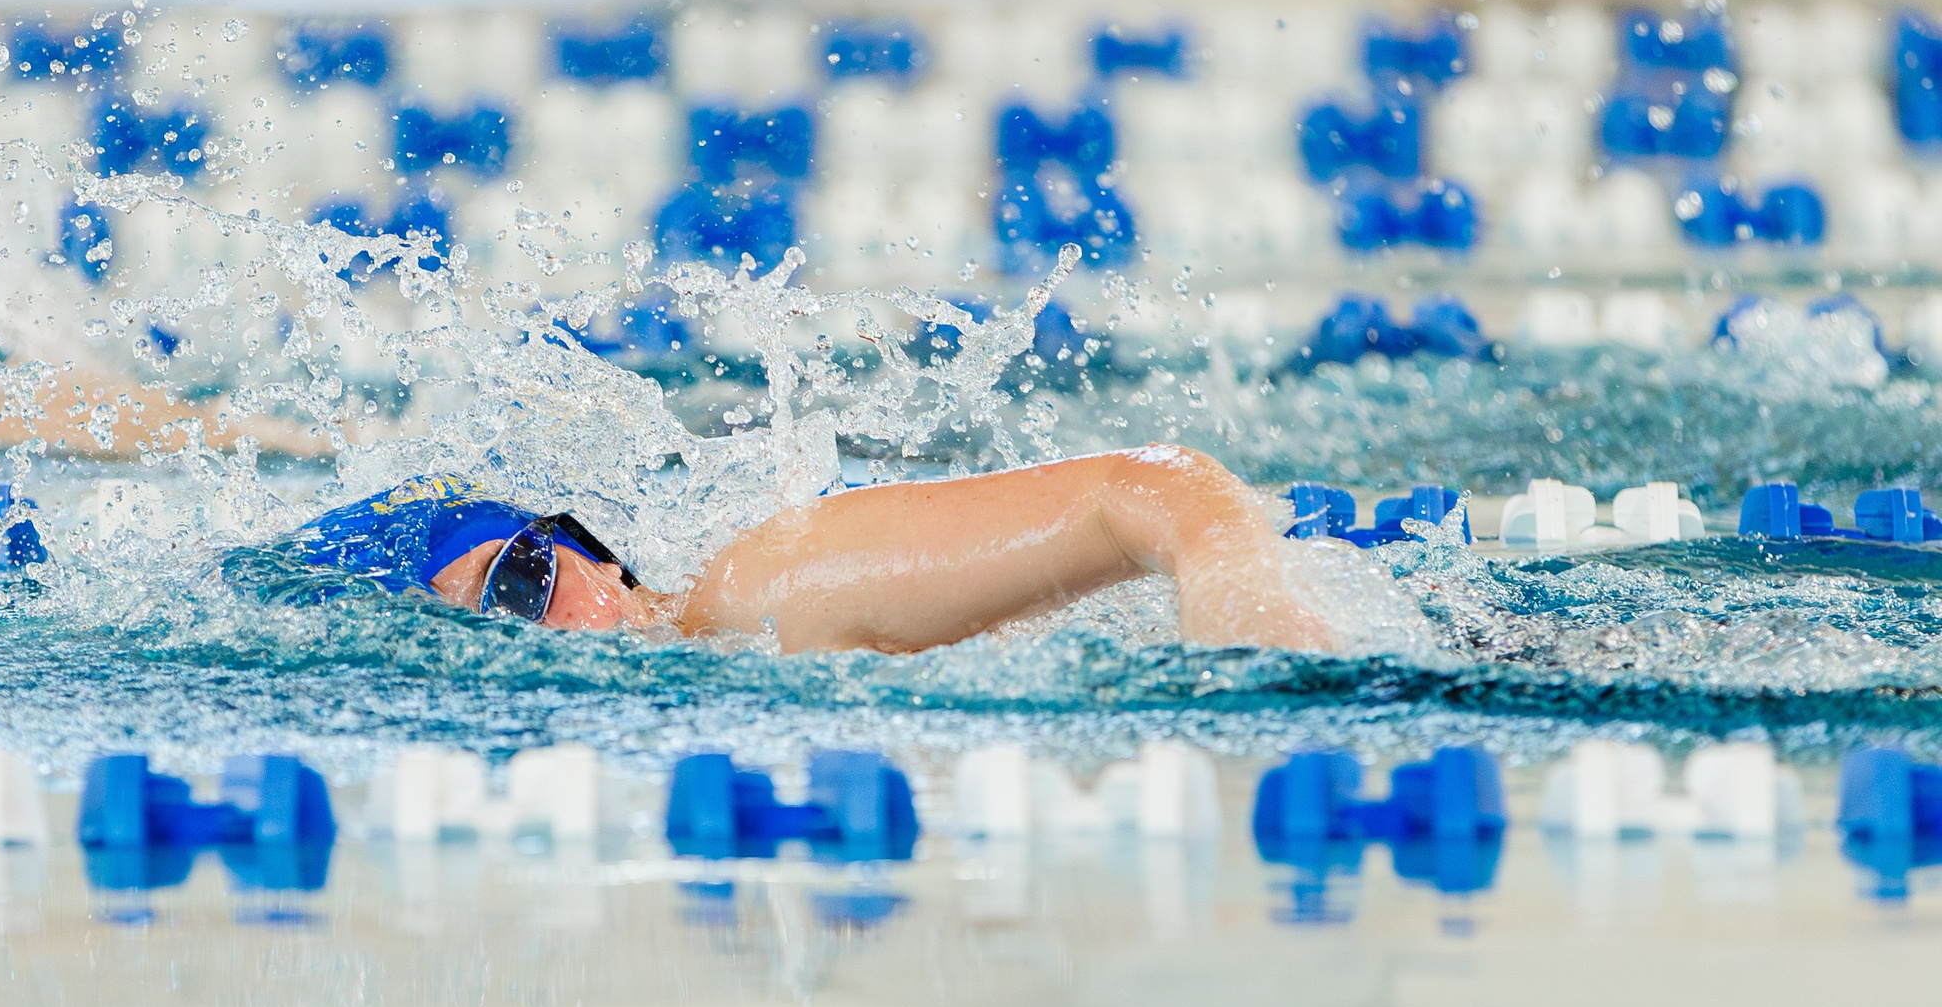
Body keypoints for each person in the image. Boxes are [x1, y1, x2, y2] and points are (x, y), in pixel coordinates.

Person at [265, 451, 1335, 655]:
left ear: (592, 556)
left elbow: (1148, 490)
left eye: (522, 584)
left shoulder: (764, 593)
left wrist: (1244, 610)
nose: (526, 643)